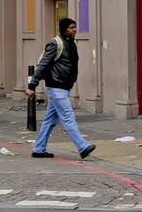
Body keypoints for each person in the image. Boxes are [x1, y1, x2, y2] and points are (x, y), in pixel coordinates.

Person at [27, 16, 95, 161]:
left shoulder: (71, 43)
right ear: (64, 29)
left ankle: (38, 149)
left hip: (64, 88)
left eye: (75, 27)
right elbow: (43, 65)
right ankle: (82, 147)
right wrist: (32, 85)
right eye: (71, 27)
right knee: (68, 117)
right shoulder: (55, 43)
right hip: (56, 88)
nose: (74, 30)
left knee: (49, 121)